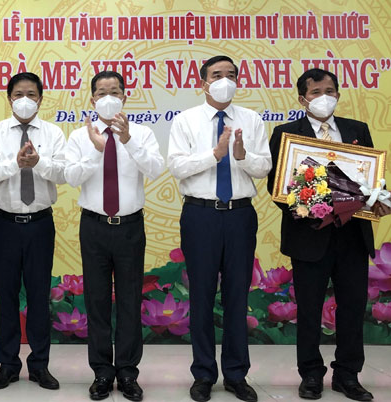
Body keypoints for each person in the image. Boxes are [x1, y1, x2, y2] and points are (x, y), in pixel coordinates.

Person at [267, 68, 390, 401]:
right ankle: (310, 374)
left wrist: (379, 198)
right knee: (308, 309)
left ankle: (348, 375)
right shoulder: (286, 134)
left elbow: (371, 179)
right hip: (310, 236)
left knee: (352, 307)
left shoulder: (356, 130)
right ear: (302, 98)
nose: (325, 97)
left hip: (353, 235)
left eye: (331, 91)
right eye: (317, 91)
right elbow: (277, 188)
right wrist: (313, 209)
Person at [167, 55, 272, 402]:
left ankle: (236, 374)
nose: (224, 79)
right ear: (202, 81)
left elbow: (264, 168)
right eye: (216, 74)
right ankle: (203, 374)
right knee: (200, 294)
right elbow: (178, 167)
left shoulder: (252, 119)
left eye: (230, 74)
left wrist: (241, 155)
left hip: (240, 215)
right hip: (201, 215)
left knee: (237, 295)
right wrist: (215, 154)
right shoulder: (186, 120)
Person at [65, 70, 165, 401]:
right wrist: (96, 149)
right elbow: (70, 176)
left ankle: (127, 372)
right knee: (95, 300)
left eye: (114, 91)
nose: (108, 96)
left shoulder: (142, 133)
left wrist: (127, 141)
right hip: (93, 226)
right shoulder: (80, 136)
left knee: (129, 299)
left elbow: (154, 169)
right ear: (92, 99)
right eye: (101, 92)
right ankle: (102, 373)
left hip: (130, 227)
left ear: (125, 96)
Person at [0, 72, 66, 391]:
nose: (25, 99)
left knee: (39, 296)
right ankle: (8, 365)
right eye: (18, 94)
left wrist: (38, 162)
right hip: (5, 223)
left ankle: (40, 365)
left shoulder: (53, 133)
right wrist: (16, 164)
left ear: (41, 99)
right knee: (6, 297)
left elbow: (63, 172)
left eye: (31, 94)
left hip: (40, 223)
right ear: (9, 98)